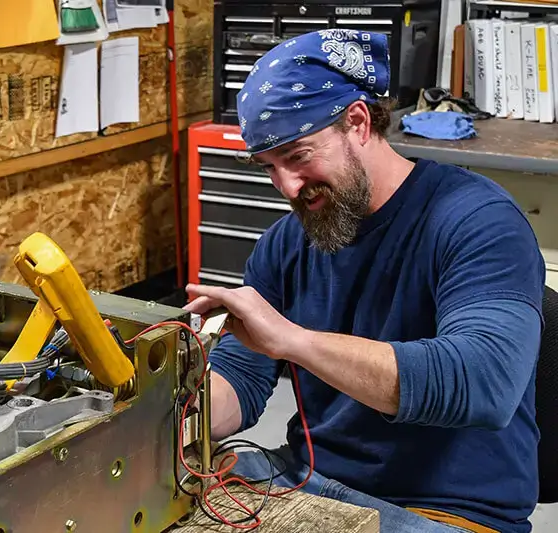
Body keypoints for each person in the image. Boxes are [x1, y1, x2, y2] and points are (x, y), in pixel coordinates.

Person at [184, 29, 545, 533]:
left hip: (444, 509)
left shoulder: (478, 221)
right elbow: (240, 377)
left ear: (357, 121)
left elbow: (484, 383)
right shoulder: (287, 243)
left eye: (298, 156)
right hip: (306, 477)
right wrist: (173, 419)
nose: (287, 186)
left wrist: (295, 341)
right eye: (269, 167)